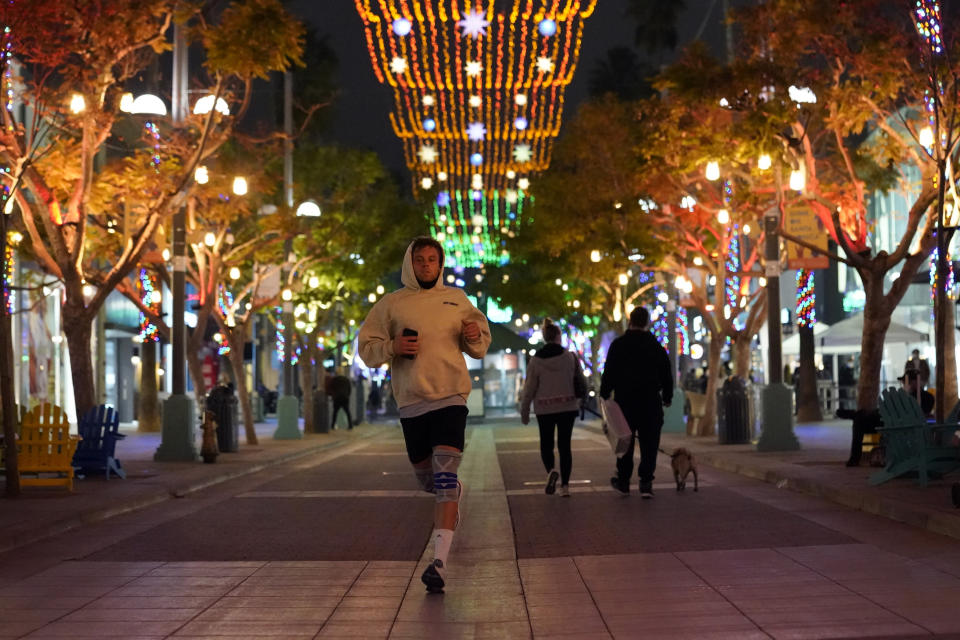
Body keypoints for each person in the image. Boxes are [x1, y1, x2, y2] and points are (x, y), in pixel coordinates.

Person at [358, 236, 491, 593]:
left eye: (433, 259)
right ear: (410, 263)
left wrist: (475, 334)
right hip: (412, 404)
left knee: (445, 478)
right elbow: (366, 348)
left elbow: (479, 344)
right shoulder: (392, 305)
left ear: (440, 263)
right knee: (427, 480)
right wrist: (393, 347)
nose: (427, 265)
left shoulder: (458, 300)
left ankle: (439, 563)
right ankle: (451, 493)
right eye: (420, 260)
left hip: (451, 398)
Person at [600, 306, 673, 498]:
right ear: (647, 322)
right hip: (650, 402)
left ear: (630, 321)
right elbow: (666, 373)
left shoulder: (619, 345)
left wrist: (605, 393)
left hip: (625, 402)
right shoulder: (655, 346)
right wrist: (667, 396)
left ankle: (623, 480)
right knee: (650, 442)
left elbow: (610, 372)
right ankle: (646, 482)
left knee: (625, 441)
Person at [519, 319, 585, 498]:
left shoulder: (536, 360)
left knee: (546, 445)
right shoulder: (570, 357)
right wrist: (583, 400)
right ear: (558, 336)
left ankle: (551, 471)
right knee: (565, 446)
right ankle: (565, 486)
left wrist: (524, 411)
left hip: (544, 409)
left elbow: (530, 387)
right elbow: (581, 381)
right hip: (567, 407)